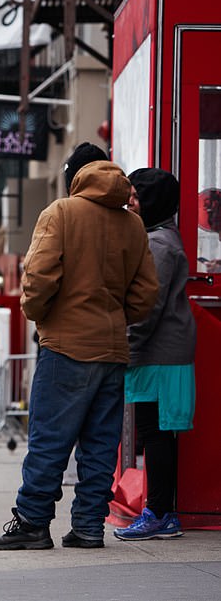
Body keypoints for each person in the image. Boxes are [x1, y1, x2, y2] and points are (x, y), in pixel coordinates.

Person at [0, 142, 158, 551]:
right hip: (113, 349)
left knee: (50, 438)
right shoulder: (133, 225)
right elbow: (145, 293)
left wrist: (41, 314)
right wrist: (116, 318)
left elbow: (39, 279)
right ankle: (87, 527)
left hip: (65, 345)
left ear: (74, 177)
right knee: (100, 446)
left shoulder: (61, 213)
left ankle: (31, 521)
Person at [114, 168, 196, 541]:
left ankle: (160, 513)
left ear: (153, 199)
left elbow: (149, 305)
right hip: (159, 351)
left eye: (136, 195)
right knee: (158, 432)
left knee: (156, 433)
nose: (130, 201)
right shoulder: (160, 238)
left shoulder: (159, 244)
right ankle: (162, 511)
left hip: (158, 353)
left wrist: (126, 347)